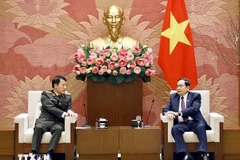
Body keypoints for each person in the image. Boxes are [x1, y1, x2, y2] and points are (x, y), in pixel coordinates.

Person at [162, 78, 211, 160]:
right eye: (177, 86)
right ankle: (186, 154)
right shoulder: (173, 97)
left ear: (187, 87)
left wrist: (178, 113)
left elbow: (194, 109)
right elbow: (165, 109)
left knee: (201, 126)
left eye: (180, 86)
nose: (178, 88)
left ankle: (203, 153)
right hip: (182, 124)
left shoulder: (195, 96)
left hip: (195, 121)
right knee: (175, 128)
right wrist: (169, 113)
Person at [31, 75, 77, 160]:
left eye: (65, 85)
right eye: (63, 85)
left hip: (57, 122)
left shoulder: (67, 97)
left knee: (58, 129)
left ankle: (50, 152)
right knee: (38, 127)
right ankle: (34, 152)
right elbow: (50, 107)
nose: (65, 87)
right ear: (55, 86)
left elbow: (69, 107)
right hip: (45, 120)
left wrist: (70, 111)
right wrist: (64, 113)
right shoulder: (46, 95)